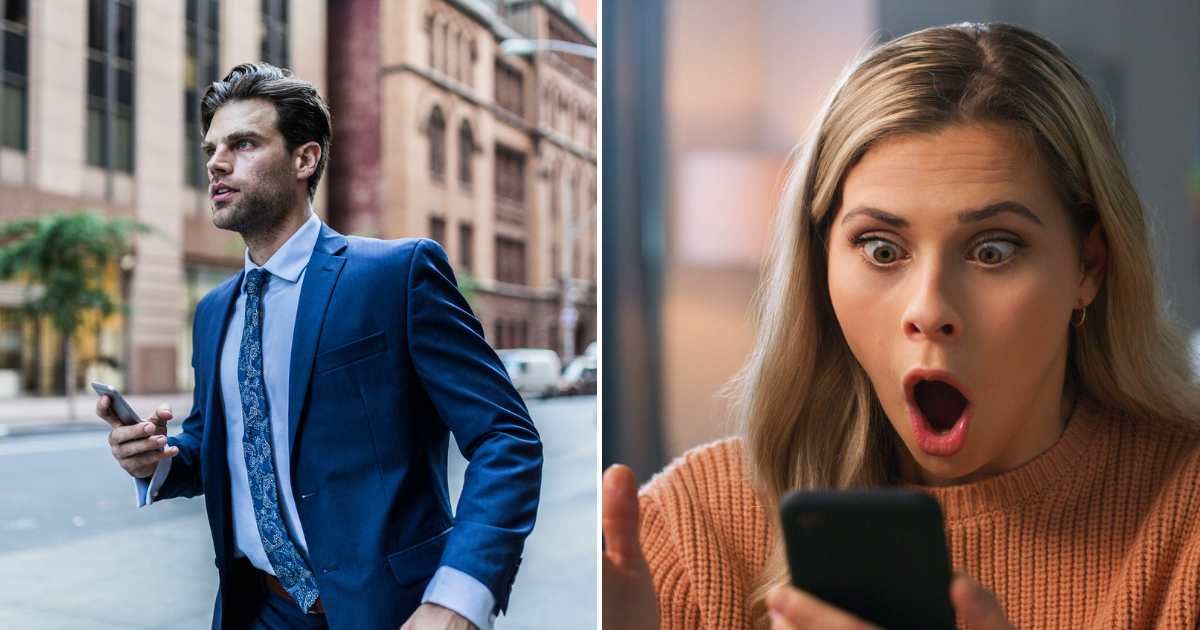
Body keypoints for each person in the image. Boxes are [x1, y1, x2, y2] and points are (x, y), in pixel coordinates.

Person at [602, 22, 1200, 629]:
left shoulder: (1186, 521)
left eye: (993, 250)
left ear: (1088, 268)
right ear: (820, 265)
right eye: (882, 250)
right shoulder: (687, 534)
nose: (930, 309)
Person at [96, 63, 542, 630]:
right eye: (211, 148)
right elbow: (221, 441)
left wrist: (459, 599)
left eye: (243, 143)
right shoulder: (213, 312)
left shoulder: (396, 275)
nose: (215, 162)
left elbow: (507, 438)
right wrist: (159, 460)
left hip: (390, 613)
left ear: (305, 160)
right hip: (258, 610)